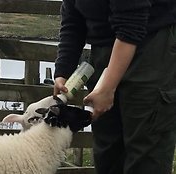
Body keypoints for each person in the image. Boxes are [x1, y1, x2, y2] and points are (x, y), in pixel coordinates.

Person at [53, 0, 176, 174]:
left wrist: (108, 87)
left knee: (145, 152)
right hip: (104, 48)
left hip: (150, 46)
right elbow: (73, 17)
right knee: (107, 151)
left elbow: (132, 23)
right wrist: (63, 72)